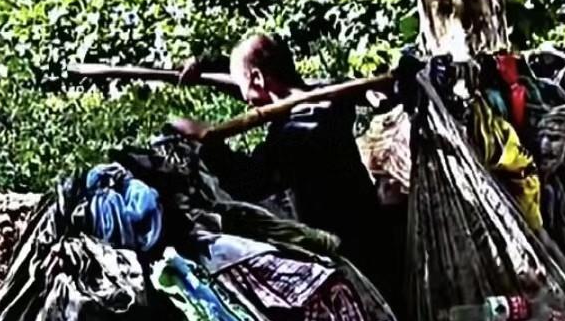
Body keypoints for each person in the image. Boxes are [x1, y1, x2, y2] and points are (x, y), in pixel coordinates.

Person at [167, 33, 401, 305]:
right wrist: (205, 68)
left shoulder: (297, 132)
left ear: (258, 78)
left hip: (350, 250)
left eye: (244, 86)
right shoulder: (331, 95)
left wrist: (208, 140)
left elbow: (249, 181)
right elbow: (269, 87)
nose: (247, 100)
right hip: (374, 228)